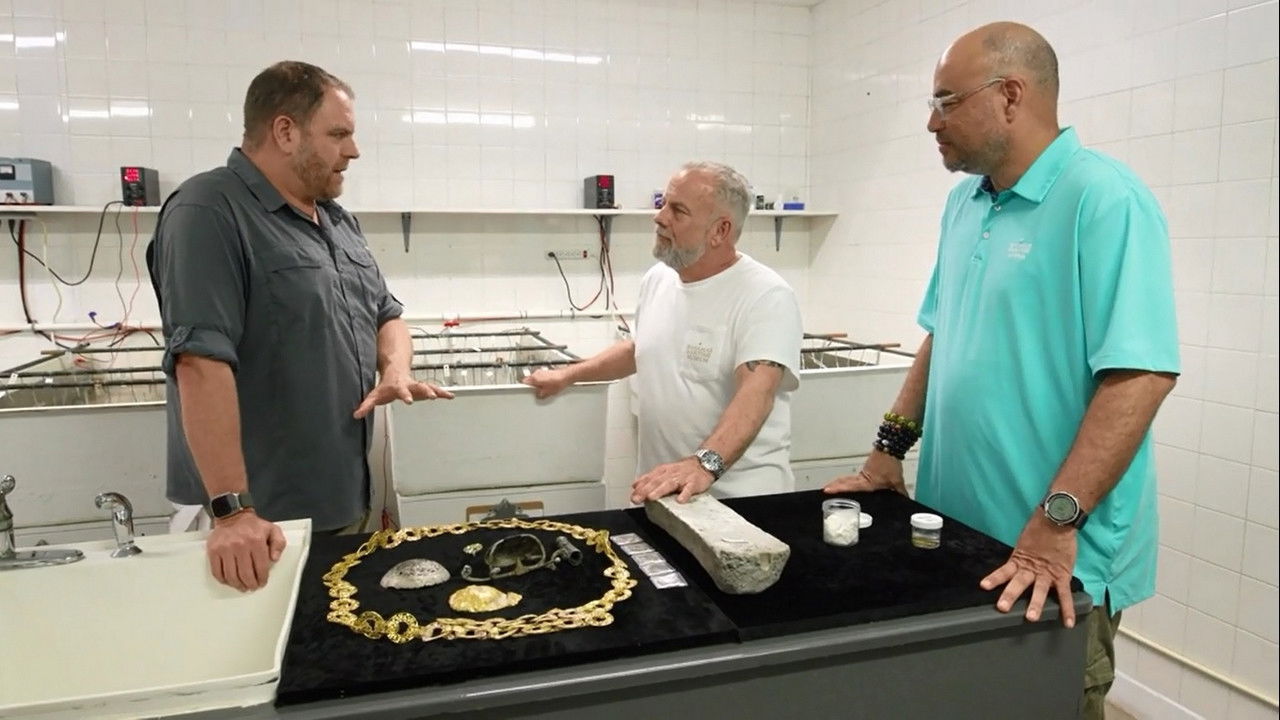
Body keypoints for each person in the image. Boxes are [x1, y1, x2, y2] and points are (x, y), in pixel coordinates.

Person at [823, 22, 1178, 718]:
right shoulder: (966, 202)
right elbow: (940, 335)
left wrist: (1056, 520)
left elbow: (1140, 377)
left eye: (946, 101)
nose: (932, 121)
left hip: (1053, 555)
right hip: (960, 533)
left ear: (1011, 95)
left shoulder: (1105, 199)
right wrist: (886, 452)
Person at [147, 61, 453, 592]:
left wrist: (396, 369)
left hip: (341, 502)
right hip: (259, 526)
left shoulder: (336, 220)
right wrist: (231, 512)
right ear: (285, 131)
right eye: (339, 134)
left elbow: (388, 314)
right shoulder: (209, 210)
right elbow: (199, 363)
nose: (353, 151)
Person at [524, 161, 802, 504]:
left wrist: (704, 465)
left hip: (739, 501)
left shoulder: (765, 295)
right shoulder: (659, 279)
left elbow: (756, 393)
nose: (660, 218)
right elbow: (642, 349)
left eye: (678, 211)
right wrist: (568, 375)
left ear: (720, 230)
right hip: (664, 491)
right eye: (664, 204)